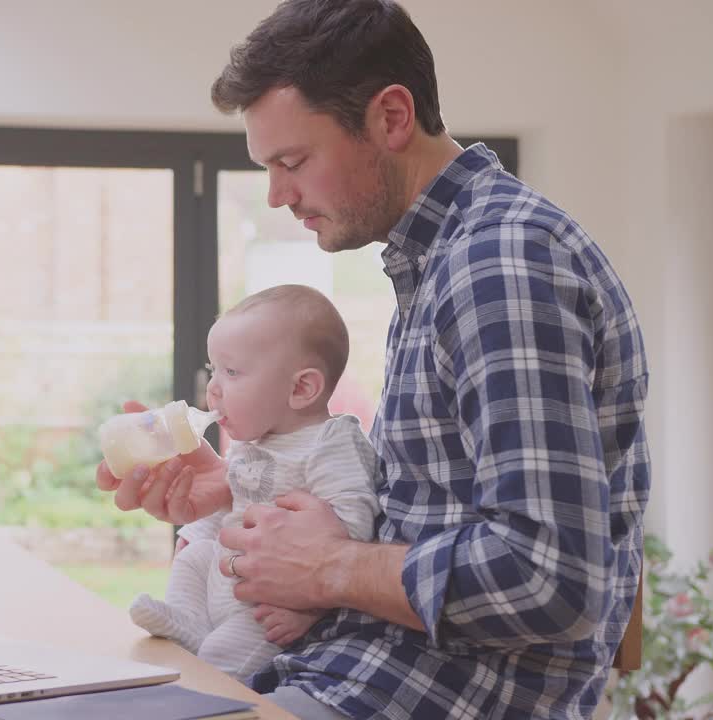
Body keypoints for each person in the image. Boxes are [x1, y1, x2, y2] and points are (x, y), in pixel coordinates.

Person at [96, 1, 650, 718]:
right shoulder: (442, 258)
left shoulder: (499, 264)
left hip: (427, 696)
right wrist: (240, 492)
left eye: (293, 162)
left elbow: (552, 580)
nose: (278, 195)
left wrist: (328, 567)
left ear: (391, 117)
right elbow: (430, 514)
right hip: (349, 671)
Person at [128, 284, 380, 682]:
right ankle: (189, 622)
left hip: (270, 604)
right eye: (214, 370)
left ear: (301, 388)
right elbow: (236, 503)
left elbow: (353, 523)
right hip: (231, 575)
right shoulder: (252, 442)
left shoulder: (330, 443)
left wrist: (308, 604)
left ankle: (204, 657)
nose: (213, 388)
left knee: (218, 660)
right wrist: (197, 530)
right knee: (195, 557)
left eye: (231, 372)